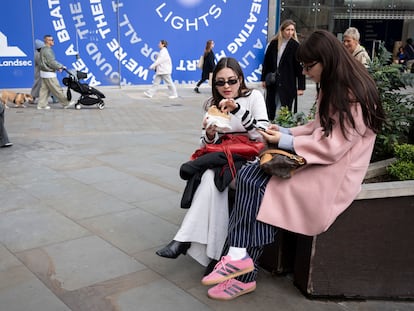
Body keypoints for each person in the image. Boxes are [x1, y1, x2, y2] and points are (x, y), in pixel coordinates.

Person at [201, 30, 385, 300]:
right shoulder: (337, 85)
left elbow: (333, 147)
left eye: (309, 67)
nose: (306, 73)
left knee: (260, 184)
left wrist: (285, 141)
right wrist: (285, 133)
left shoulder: (353, 95)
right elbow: (317, 127)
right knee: (251, 174)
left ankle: (241, 264)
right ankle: (239, 258)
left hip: (335, 172)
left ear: (327, 60)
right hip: (320, 159)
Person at [156, 57, 269, 269]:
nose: (226, 86)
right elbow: (205, 143)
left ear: (240, 79)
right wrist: (209, 134)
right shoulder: (213, 105)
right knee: (211, 177)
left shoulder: (254, 96)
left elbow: (261, 135)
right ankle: (211, 254)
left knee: (213, 176)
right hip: (223, 158)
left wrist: (236, 110)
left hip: (248, 160)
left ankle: (187, 242)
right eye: (220, 82)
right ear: (214, 84)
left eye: (231, 81)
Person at [261, 19, 305, 120]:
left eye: (292, 30)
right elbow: (266, 62)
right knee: (271, 106)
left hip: (288, 82)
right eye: (288, 30)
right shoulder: (273, 44)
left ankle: (281, 128)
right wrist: (263, 78)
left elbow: (299, 68)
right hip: (273, 81)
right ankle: (270, 125)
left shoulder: (295, 46)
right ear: (282, 30)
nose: (290, 32)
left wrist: (301, 87)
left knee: (284, 107)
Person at [37, 35, 76, 110]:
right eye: (51, 40)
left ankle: (41, 105)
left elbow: (48, 62)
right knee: (57, 89)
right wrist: (60, 66)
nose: (53, 41)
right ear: (47, 41)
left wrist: (58, 67)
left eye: (52, 40)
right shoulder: (48, 50)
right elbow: (51, 62)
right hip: (49, 73)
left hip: (44, 73)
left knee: (44, 90)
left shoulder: (43, 49)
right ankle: (66, 103)